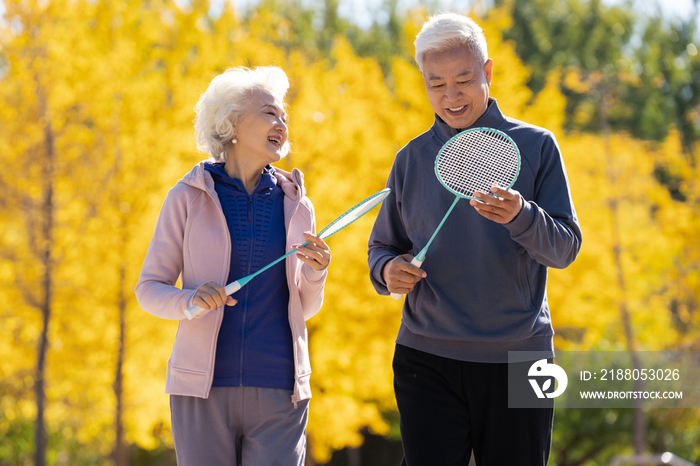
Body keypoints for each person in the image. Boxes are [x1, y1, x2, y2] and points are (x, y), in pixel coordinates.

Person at [367, 13, 582, 466]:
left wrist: (521, 215)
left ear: (487, 73)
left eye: (463, 80)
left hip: (521, 357)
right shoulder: (410, 159)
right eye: (435, 84)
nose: (450, 96)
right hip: (425, 355)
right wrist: (388, 272)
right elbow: (382, 248)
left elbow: (564, 248)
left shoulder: (538, 146)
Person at [135, 66, 330, 466]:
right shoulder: (187, 197)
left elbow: (305, 307)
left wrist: (316, 270)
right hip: (201, 390)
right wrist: (190, 299)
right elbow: (149, 288)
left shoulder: (298, 205)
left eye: (284, 117)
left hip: (280, 390)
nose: (282, 124)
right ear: (232, 124)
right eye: (269, 113)